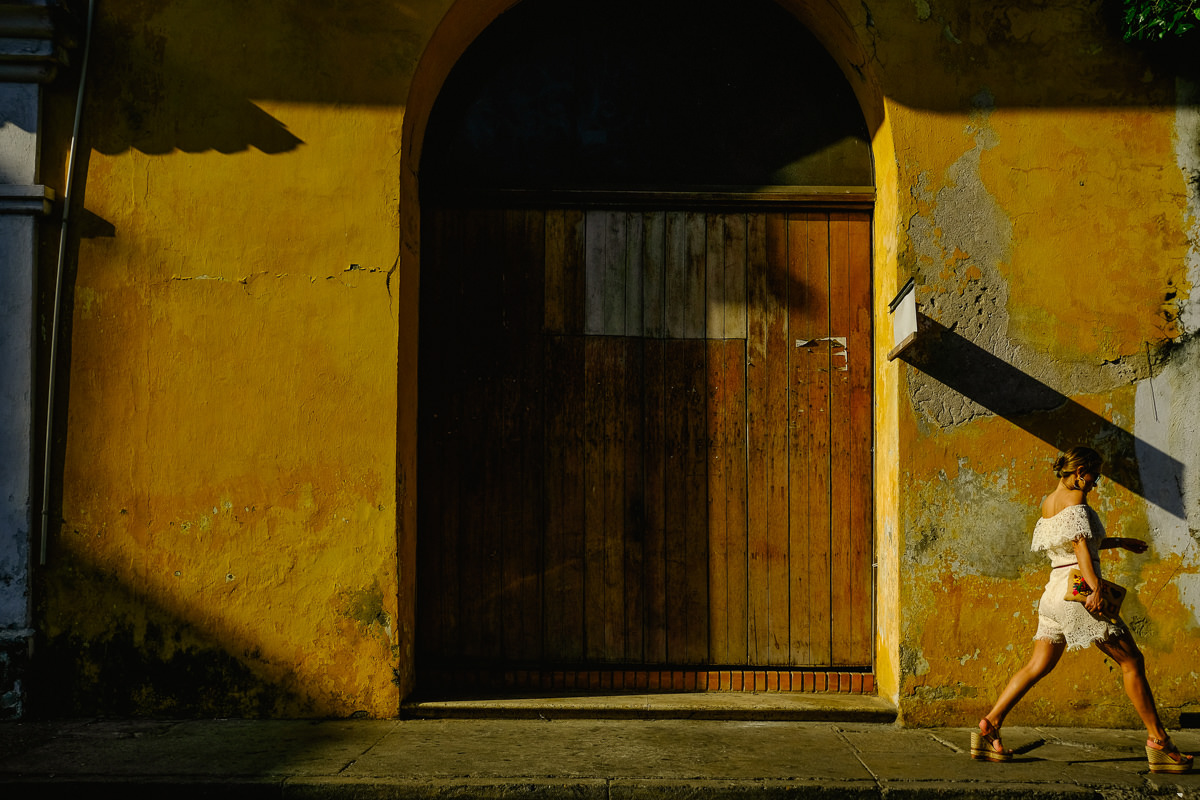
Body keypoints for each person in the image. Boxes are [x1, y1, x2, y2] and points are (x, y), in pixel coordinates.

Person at [971, 446, 1193, 774]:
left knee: (1037, 665)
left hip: (1053, 592)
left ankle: (989, 726)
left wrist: (1118, 542)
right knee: (1132, 661)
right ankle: (1159, 741)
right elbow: (1079, 547)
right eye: (1093, 476)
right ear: (1079, 472)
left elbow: (1075, 540)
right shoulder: (1077, 499)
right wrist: (1096, 588)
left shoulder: (1049, 501)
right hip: (1078, 592)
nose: (1095, 483)